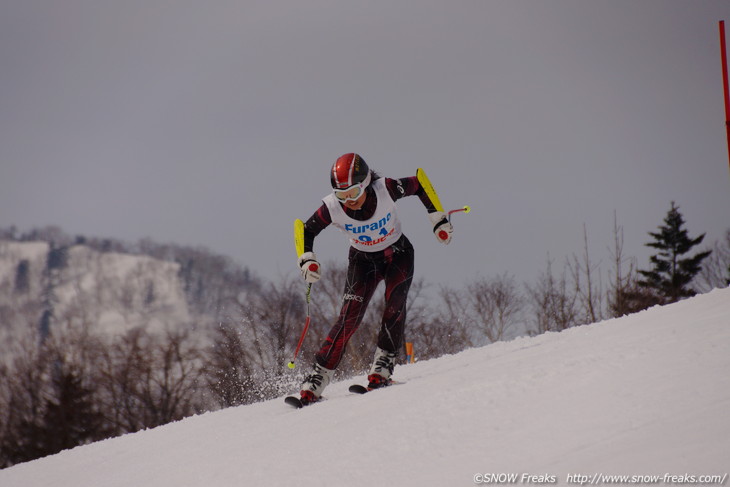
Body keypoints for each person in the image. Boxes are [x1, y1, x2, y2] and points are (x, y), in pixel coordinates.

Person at [296, 153, 453, 405]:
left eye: (355, 193)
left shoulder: (386, 189)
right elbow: (306, 229)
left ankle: (383, 365)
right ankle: (318, 376)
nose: (350, 201)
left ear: (367, 183)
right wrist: (307, 258)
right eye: (342, 195)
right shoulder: (332, 208)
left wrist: (437, 219)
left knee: (394, 308)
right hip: (363, 262)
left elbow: (420, 183)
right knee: (350, 317)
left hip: (398, 255)